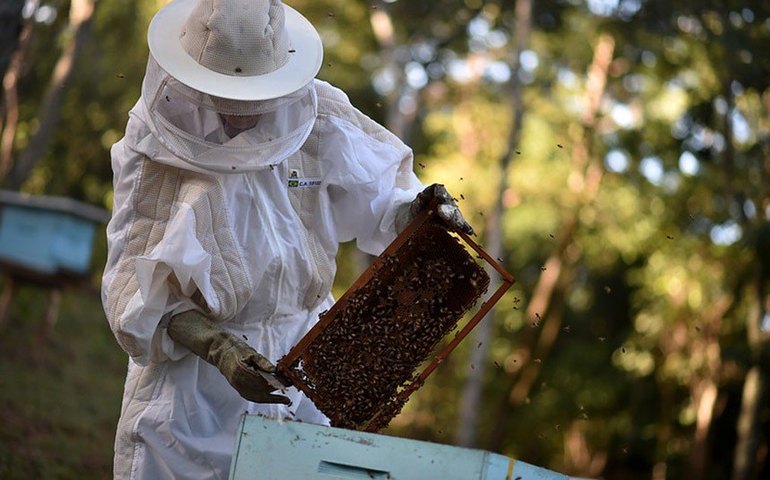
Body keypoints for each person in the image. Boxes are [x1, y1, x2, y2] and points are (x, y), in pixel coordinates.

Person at [102, 0, 472, 478]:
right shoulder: (151, 146)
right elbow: (133, 290)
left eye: (253, 95)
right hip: (197, 392)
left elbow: (382, 202)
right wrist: (219, 348)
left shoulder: (320, 116)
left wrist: (420, 208)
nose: (240, 113)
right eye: (225, 95)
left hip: (313, 360)